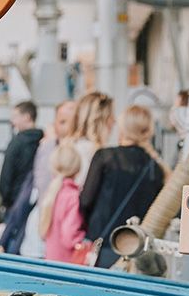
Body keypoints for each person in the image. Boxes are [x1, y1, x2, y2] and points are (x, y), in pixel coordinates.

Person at [79, 105, 168, 269]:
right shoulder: (156, 168)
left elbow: (86, 200)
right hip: (139, 252)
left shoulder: (105, 157)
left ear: (122, 127)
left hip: (105, 246)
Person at [17, 99, 78, 260]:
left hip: (52, 241)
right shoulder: (46, 149)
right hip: (47, 236)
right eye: (61, 121)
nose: (64, 127)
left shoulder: (81, 151)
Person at [37, 143, 85, 263]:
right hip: (68, 264)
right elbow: (69, 237)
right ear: (77, 170)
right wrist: (84, 239)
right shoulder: (73, 196)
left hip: (51, 260)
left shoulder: (52, 193)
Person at [0, 100, 43, 210]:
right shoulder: (44, 140)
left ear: (27, 117)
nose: (12, 121)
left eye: (15, 116)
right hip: (37, 200)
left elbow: (6, 175)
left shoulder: (16, 143)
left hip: (15, 202)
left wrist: (6, 201)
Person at [70, 92, 115, 188]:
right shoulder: (87, 150)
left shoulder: (77, 146)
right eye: (111, 116)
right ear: (100, 120)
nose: (114, 121)